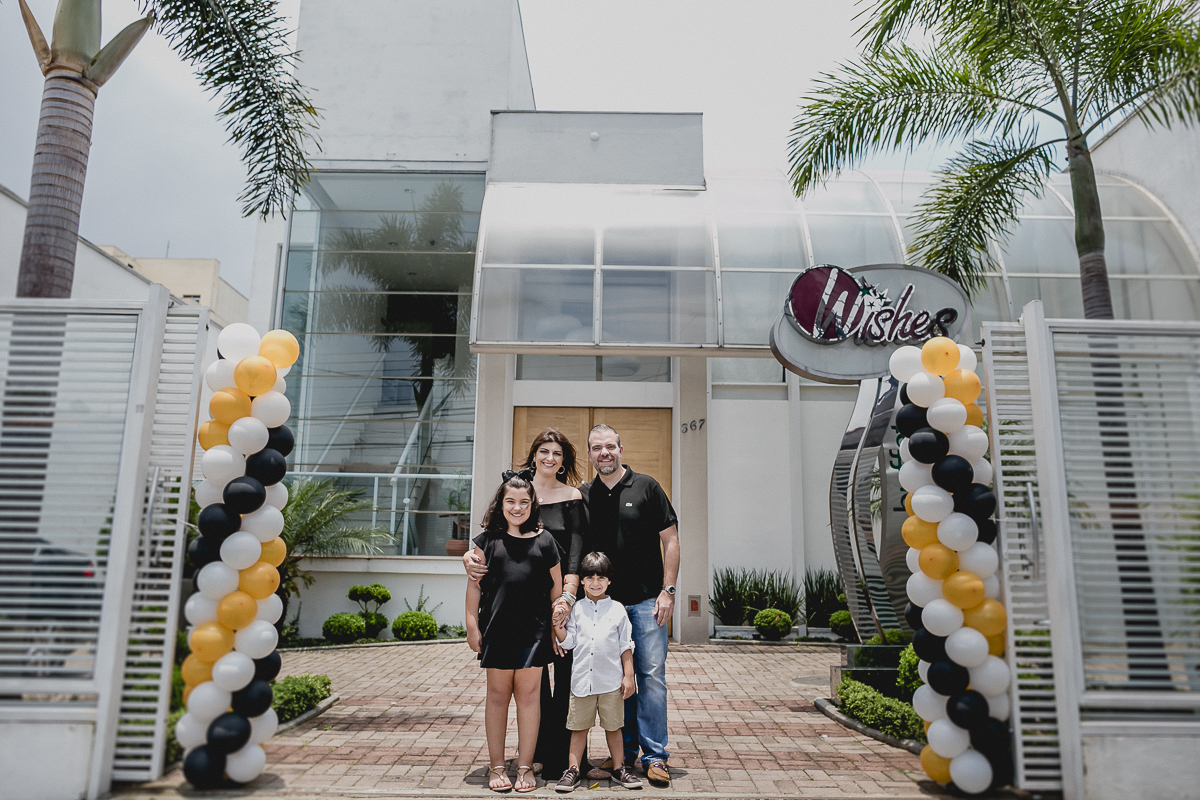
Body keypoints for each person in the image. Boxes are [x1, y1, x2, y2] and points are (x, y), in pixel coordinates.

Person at [464, 429, 590, 780]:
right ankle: (513, 762)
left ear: (564, 461)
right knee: (507, 695)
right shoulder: (512, 501)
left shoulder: (569, 503)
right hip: (503, 621)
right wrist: (472, 622)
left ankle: (560, 759)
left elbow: (574, 555)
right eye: (544, 451)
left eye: (557, 454)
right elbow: (481, 561)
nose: (550, 458)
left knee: (555, 686)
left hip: (553, 610)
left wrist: (564, 601)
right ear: (533, 455)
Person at [583, 424, 679, 787]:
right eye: (597, 448)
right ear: (590, 454)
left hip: (645, 602)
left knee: (651, 678)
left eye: (610, 446)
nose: (604, 453)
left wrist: (667, 591)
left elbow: (671, 540)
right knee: (616, 681)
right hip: (603, 607)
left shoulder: (647, 487)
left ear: (621, 449)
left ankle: (656, 757)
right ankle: (624, 753)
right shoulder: (584, 494)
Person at [465, 473, 563, 793]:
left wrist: (555, 627)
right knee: (496, 697)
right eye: (510, 502)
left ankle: (524, 767)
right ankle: (496, 766)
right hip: (497, 630)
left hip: (533, 634)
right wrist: (471, 625)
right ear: (501, 504)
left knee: (529, 698)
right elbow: (474, 589)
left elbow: (556, 592)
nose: (517, 508)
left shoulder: (545, 541)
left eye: (523, 502)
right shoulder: (486, 541)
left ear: (532, 504)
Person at [551, 552, 641, 793]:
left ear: (609, 581)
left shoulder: (618, 610)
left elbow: (626, 645)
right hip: (582, 682)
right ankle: (572, 770)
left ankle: (619, 768)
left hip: (611, 682)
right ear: (581, 581)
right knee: (578, 728)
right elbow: (568, 642)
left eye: (601, 577)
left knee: (614, 728)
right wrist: (557, 626)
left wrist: (628, 675)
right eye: (589, 577)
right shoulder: (577, 609)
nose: (595, 582)